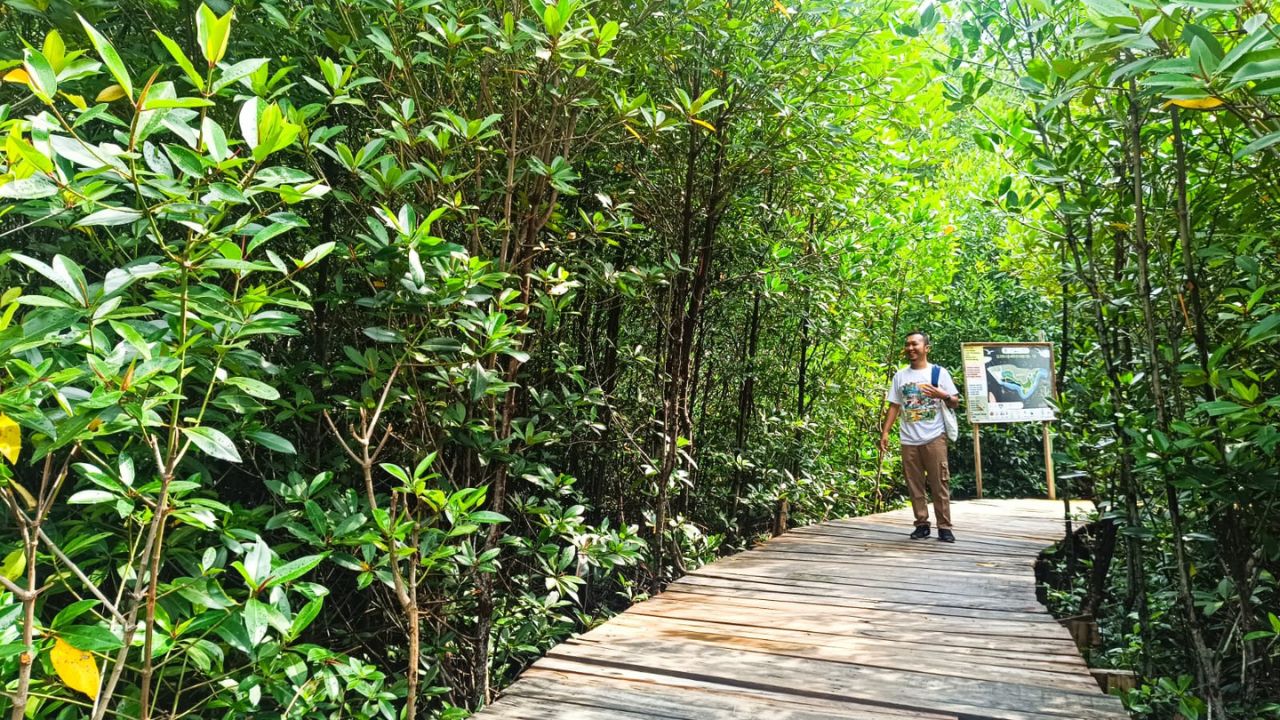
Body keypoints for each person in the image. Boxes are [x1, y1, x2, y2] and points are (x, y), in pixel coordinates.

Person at [879, 331, 961, 543]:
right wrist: (886, 432)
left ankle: (944, 527)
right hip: (908, 439)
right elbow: (894, 406)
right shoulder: (900, 376)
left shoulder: (939, 373)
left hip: (934, 437)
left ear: (926, 348)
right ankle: (922, 524)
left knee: (939, 483)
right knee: (914, 485)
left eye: (915, 344)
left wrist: (942, 395)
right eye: (907, 345)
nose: (910, 348)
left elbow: (955, 402)